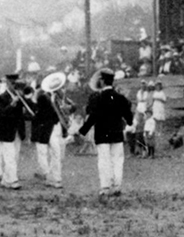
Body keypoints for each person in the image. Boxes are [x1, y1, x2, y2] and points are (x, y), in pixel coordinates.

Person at [77, 68, 133, 197]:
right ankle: (117, 186)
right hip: (117, 132)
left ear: (102, 81)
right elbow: (129, 119)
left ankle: (105, 186)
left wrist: (83, 131)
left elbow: (93, 117)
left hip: (102, 133)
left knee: (104, 160)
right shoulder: (120, 98)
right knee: (117, 160)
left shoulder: (98, 98)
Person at [32, 76, 67, 190]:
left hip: (57, 126)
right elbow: (42, 113)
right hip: (48, 127)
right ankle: (55, 179)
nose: (59, 88)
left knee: (58, 153)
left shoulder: (56, 97)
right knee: (56, 152)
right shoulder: (43, 97)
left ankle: (52, 178)